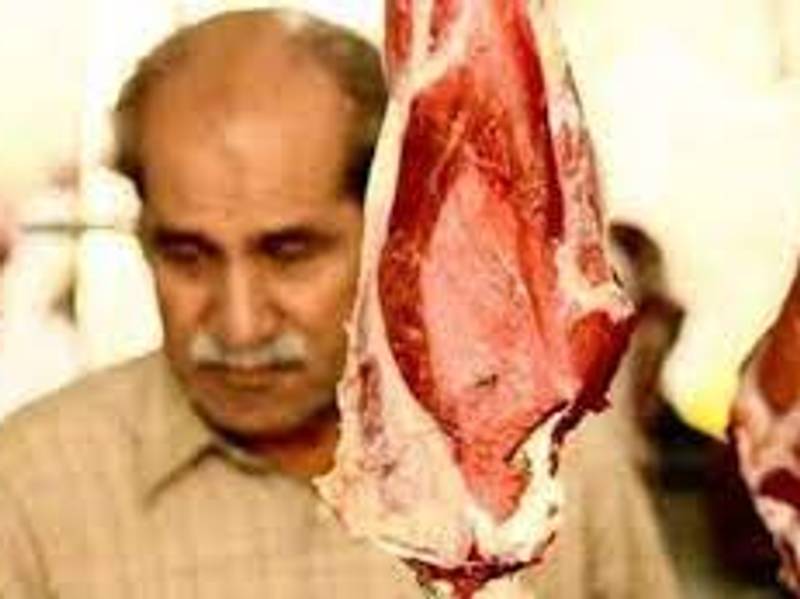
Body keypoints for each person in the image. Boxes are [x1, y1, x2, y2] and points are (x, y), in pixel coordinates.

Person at [0, 8, 680, 598]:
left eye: (290, 253)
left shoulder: (547, 463)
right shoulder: (30, 493)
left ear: (392, 233)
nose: (240, 324)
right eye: (188, 255)